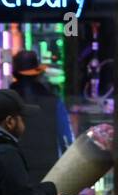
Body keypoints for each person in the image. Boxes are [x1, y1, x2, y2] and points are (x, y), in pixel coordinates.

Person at [9, 50, 73, 183]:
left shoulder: (6, 102)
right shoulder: (53, 101)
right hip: (47, 169)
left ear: (15, 74)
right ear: (38, 75)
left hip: (14, 169)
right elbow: (66, 137)